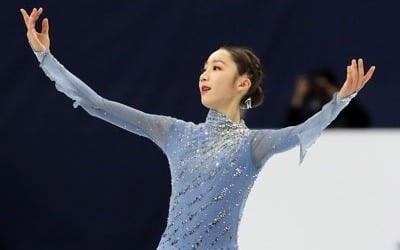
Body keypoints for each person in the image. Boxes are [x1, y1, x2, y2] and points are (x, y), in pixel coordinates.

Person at [20, 7, 376, 250]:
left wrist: (339, 100)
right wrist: (46, 59)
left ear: (243, 84)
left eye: (217, 67)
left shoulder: (253, 145)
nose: (205, 74)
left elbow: (301, 130)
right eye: (204, 67)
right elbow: (98, 105)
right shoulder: (174, 132)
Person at [287, 68, 371, 127]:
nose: (320, 90)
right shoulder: (307, 104)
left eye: (324, 87)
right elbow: (290, 128)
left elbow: (362, 122)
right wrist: (299, 96)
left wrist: (339, 96)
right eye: (317, 87)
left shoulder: (344, 105)